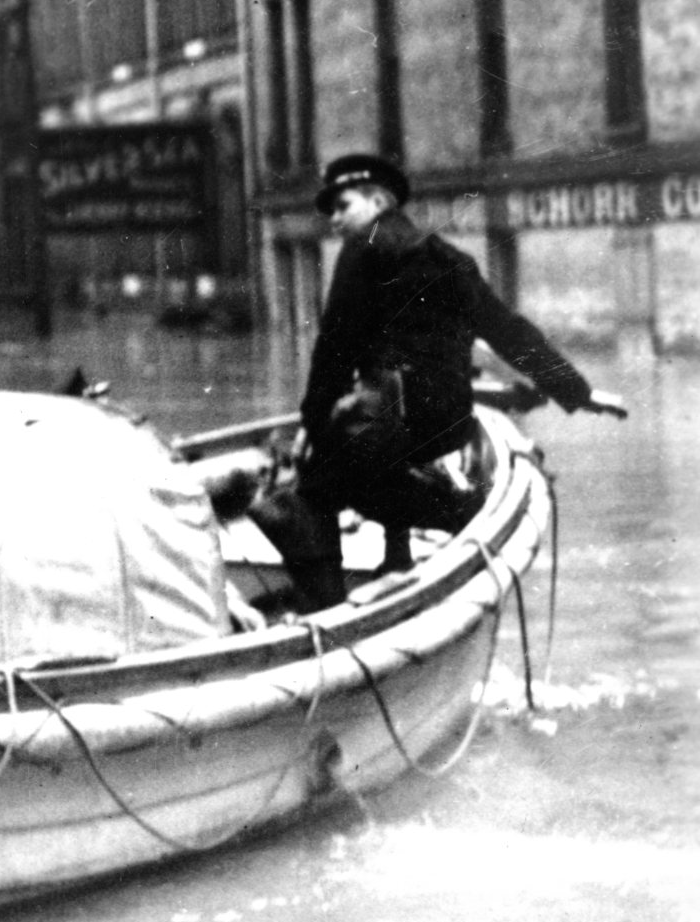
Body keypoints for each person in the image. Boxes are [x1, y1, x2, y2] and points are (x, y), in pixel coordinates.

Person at [251, 151, 625, 610]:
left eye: (342, 205)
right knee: (366, 458)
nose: (334, 219)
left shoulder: (363, 247)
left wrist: (311, 423)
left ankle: (328, 610)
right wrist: (577, 391)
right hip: (448, 423)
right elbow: (508, 330)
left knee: (305, 489)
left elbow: (335, 346)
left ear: (377, 200)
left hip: (394, 420)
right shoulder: (451, 257)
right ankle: (415, 545)